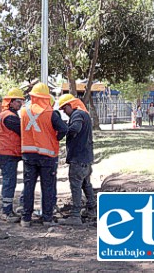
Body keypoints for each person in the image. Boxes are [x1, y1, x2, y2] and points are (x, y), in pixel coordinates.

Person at [19, 82, 67, 228]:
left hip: (28, 155)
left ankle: (26, 219)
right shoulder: (51, 113)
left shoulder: (23, 112)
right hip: (47, 156)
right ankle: (47, 219)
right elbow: (64, 129)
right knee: (47, 187)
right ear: (46, 97)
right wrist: (54, 139)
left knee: (28, 187)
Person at [57, 93, 96, 226]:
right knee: (86, 184)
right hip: (86, 158)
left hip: (78, 158)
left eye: (64, 109)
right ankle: (92, 210)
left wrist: (63, 129)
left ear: (70, 105)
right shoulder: (85, 114)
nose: (64, 112)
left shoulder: (77, 115)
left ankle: (75, 215)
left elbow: (75, 128)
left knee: (76, 186)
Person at [0, 87, 25, 223]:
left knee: (10, 182)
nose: (20, 104)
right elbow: (23, 130)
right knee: (9, 182)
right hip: (7, 153)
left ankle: (7, 210)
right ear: (11, 102)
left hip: (7, 153)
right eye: (18, 102)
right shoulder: (10, 117)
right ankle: (6, 211)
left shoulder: (8, 114)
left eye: (21, 102)